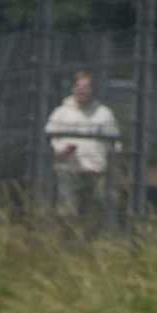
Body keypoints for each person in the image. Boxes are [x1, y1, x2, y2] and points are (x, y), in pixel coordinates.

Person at [45, 70, 122, 224]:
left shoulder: (104, 113)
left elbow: (115, 144)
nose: (82, 90)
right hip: (68, 169)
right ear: (72, 88)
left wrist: (112, 166)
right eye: (78, 86)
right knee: (68, 212)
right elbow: (49, 139)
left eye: (86, 87)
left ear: (93, 89)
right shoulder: (61, 113)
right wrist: (61, 150)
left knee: (95, 211)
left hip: (96, 171)